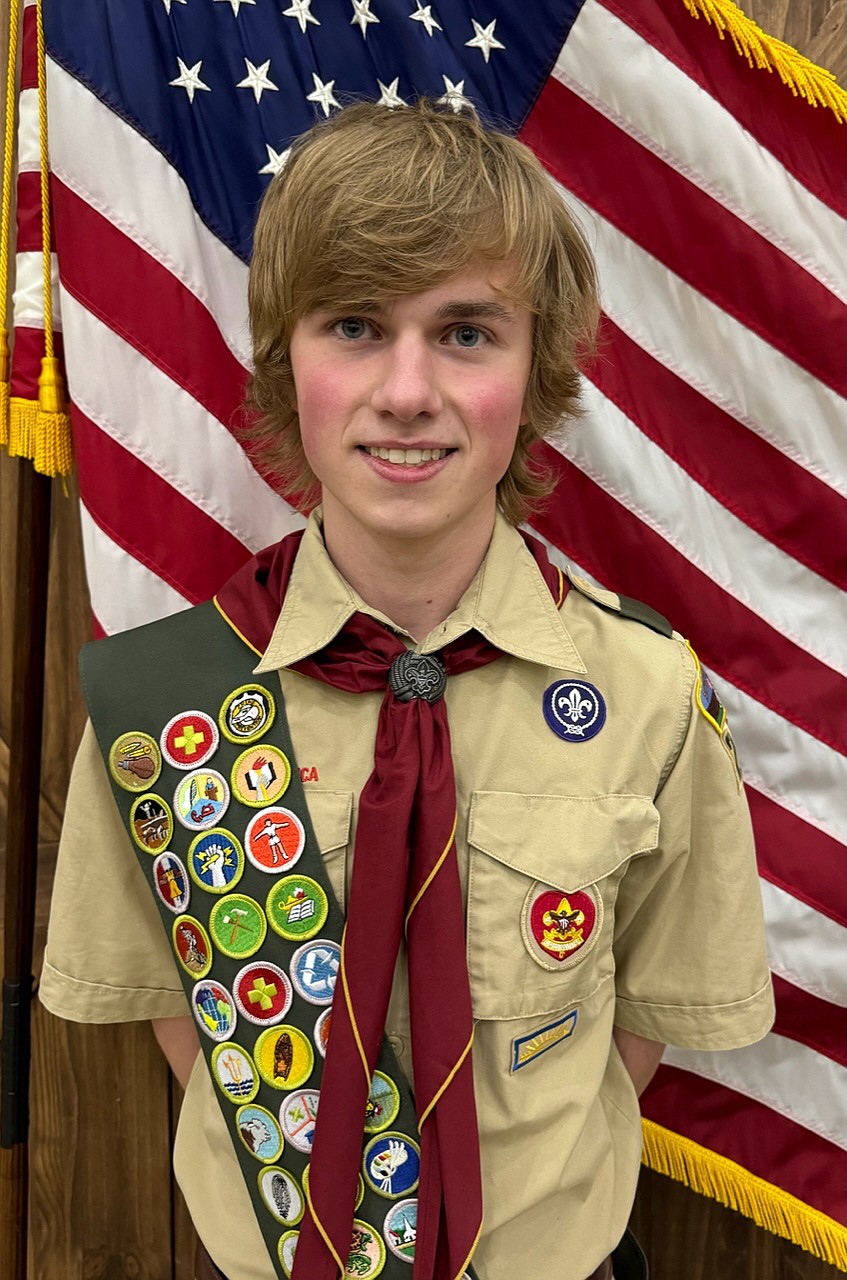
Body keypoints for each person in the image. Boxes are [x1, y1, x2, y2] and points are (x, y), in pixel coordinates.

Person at [39, 97, 774, 1280]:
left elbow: (638, 1025)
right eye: (355, 325)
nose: (406, 389)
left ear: (536, 367)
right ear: (289, 359)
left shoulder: (643, 692)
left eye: (468, 332)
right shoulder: (162, 704)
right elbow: (188, 1019)